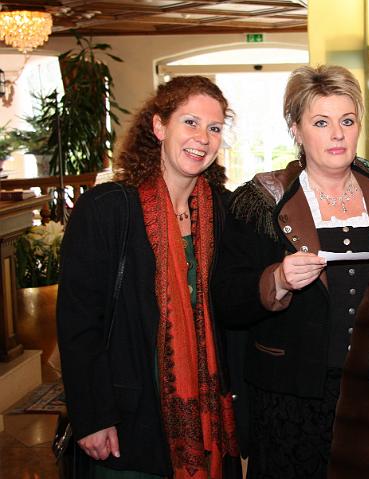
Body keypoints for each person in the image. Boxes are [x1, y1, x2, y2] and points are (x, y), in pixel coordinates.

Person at [211, 65, 369, 478]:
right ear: (296, 129)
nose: (337, 135)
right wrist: (277, 280)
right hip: (292, 400)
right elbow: (226, 299)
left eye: (347, 121)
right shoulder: (259, 203)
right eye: (321, 122)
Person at [57, 76, 238, 478]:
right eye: (190, 122)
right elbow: (79, 323)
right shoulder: (107, 209)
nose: (203, 138)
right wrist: (93, 416)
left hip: (208, 417)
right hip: (127, 417)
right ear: (159, 126)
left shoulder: (222, 211)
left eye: (214, 128)